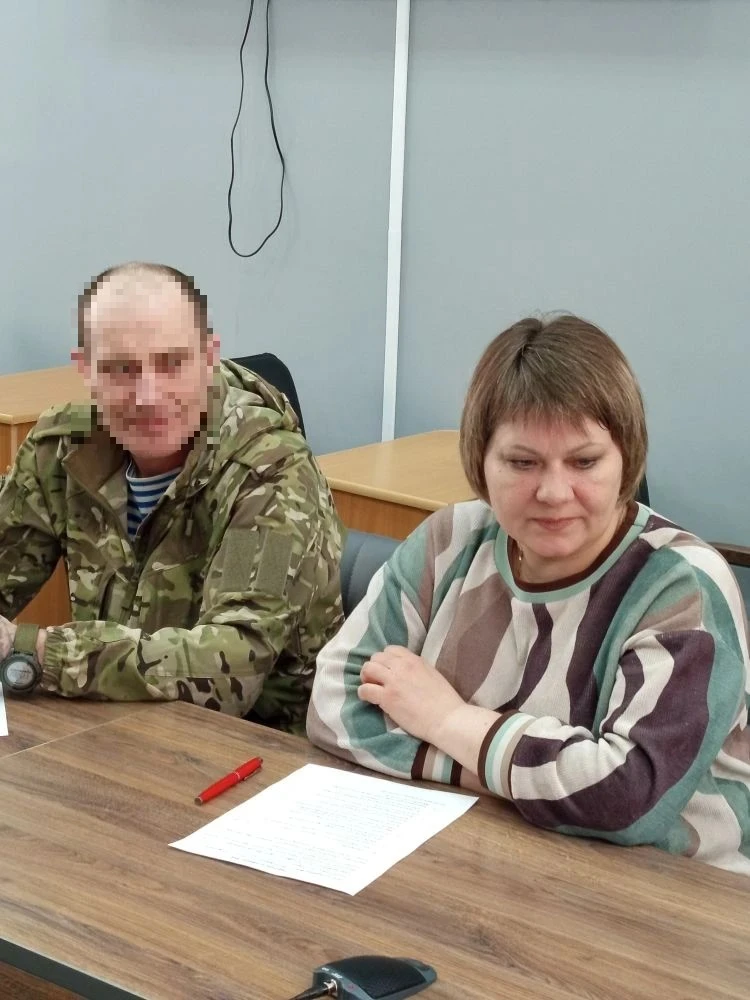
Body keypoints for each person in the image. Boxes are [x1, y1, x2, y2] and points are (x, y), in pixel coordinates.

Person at [308, 314, 750, 872]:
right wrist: (521, 779)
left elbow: (627, 798)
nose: (554, 492)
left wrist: (447, 721)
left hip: (669, 891)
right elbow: (333, 705)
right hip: (477, 857)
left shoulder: (683, 585)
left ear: (627, 460)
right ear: (481, 461)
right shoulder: (449, 539)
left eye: (585, 461)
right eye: (522, 462)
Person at [0, 262, 343, 732]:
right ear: (86, 369)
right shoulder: (61, 451)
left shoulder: (269, 476)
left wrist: (39, 651)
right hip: (110, 725)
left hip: (259, 747)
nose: (148, 396)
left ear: (209, 358)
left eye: (172, 363)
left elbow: (232, 664)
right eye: (122, 369)